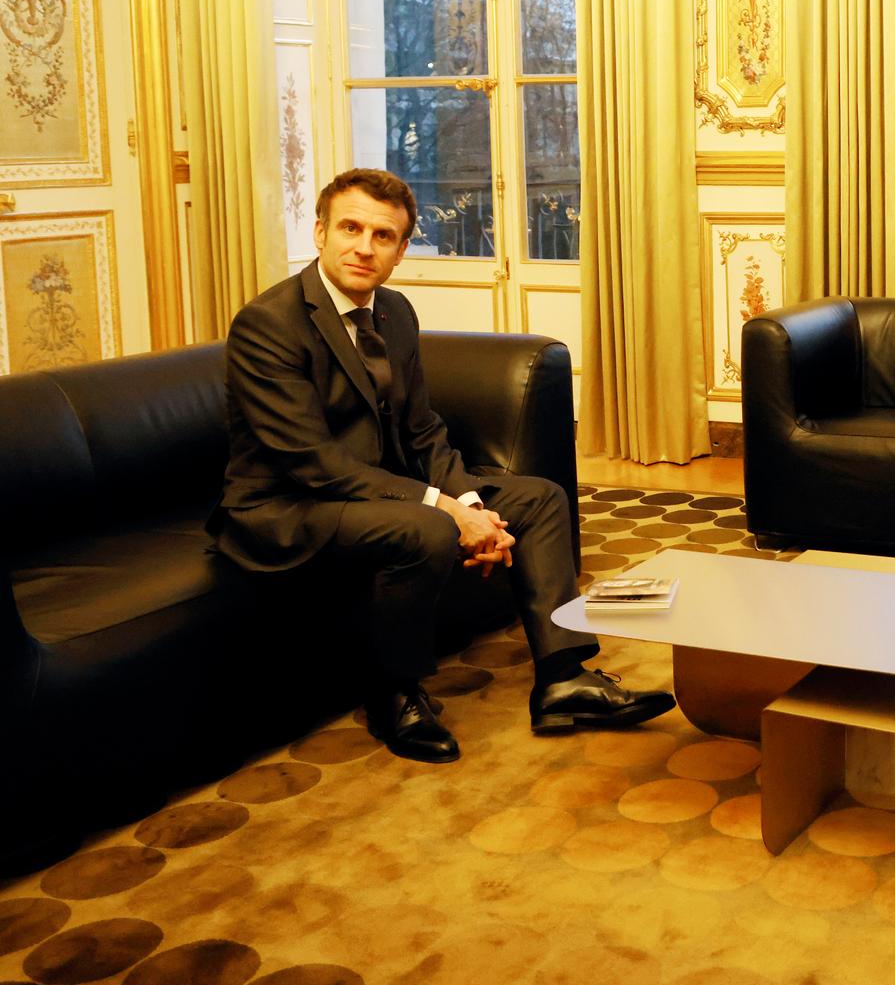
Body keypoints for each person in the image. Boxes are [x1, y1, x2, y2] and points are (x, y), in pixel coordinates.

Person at [211, 168, 675, 764]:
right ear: (321, 231)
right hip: (288, 507)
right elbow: (313, 462)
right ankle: (393, 693)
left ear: (402, 251)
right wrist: (444, 507)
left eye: (383, 236)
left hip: (375, 492)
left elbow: (421, 429)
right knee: (428, 526)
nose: (364, 247)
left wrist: (474, 504)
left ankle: (564, 677)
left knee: (540, 498)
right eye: (350, 228)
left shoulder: (394, 312)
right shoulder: (270, 324)